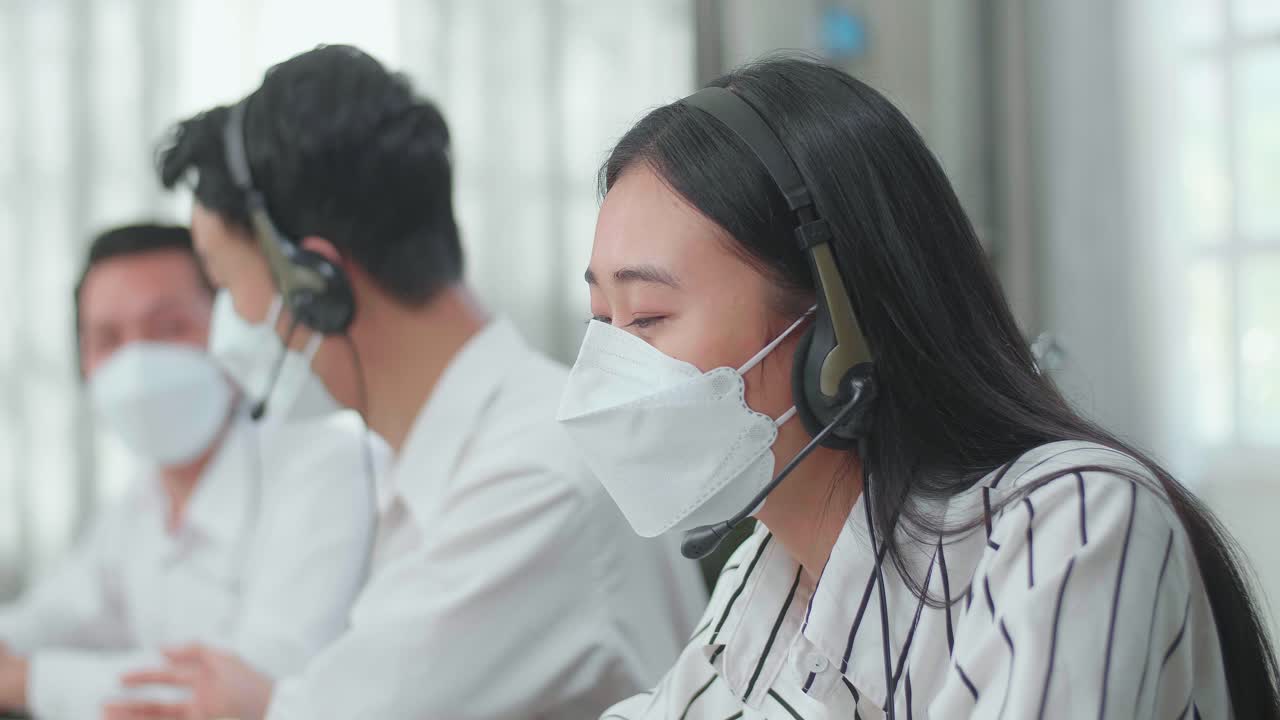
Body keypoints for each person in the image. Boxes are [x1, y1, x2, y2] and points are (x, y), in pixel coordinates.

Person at [557, 57, 1280, 719]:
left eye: (647, 316)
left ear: (836, 336)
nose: (612, 369)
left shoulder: (1072, 525)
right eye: (600, 321)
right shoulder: (767, 579)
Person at [106, 45, 705, 720]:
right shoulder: (423, 461)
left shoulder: (534, 478)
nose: (226, 323)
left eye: (222, 284)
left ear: (317, 286)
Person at [0, 224, 379, 719]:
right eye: (108, 339)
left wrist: (28, 682)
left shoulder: (325, 466)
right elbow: (62, 611)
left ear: (232, 330)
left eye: (169, 328)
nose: (137, 363)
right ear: (84, 364)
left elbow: (247, 693)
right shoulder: (141, 499)